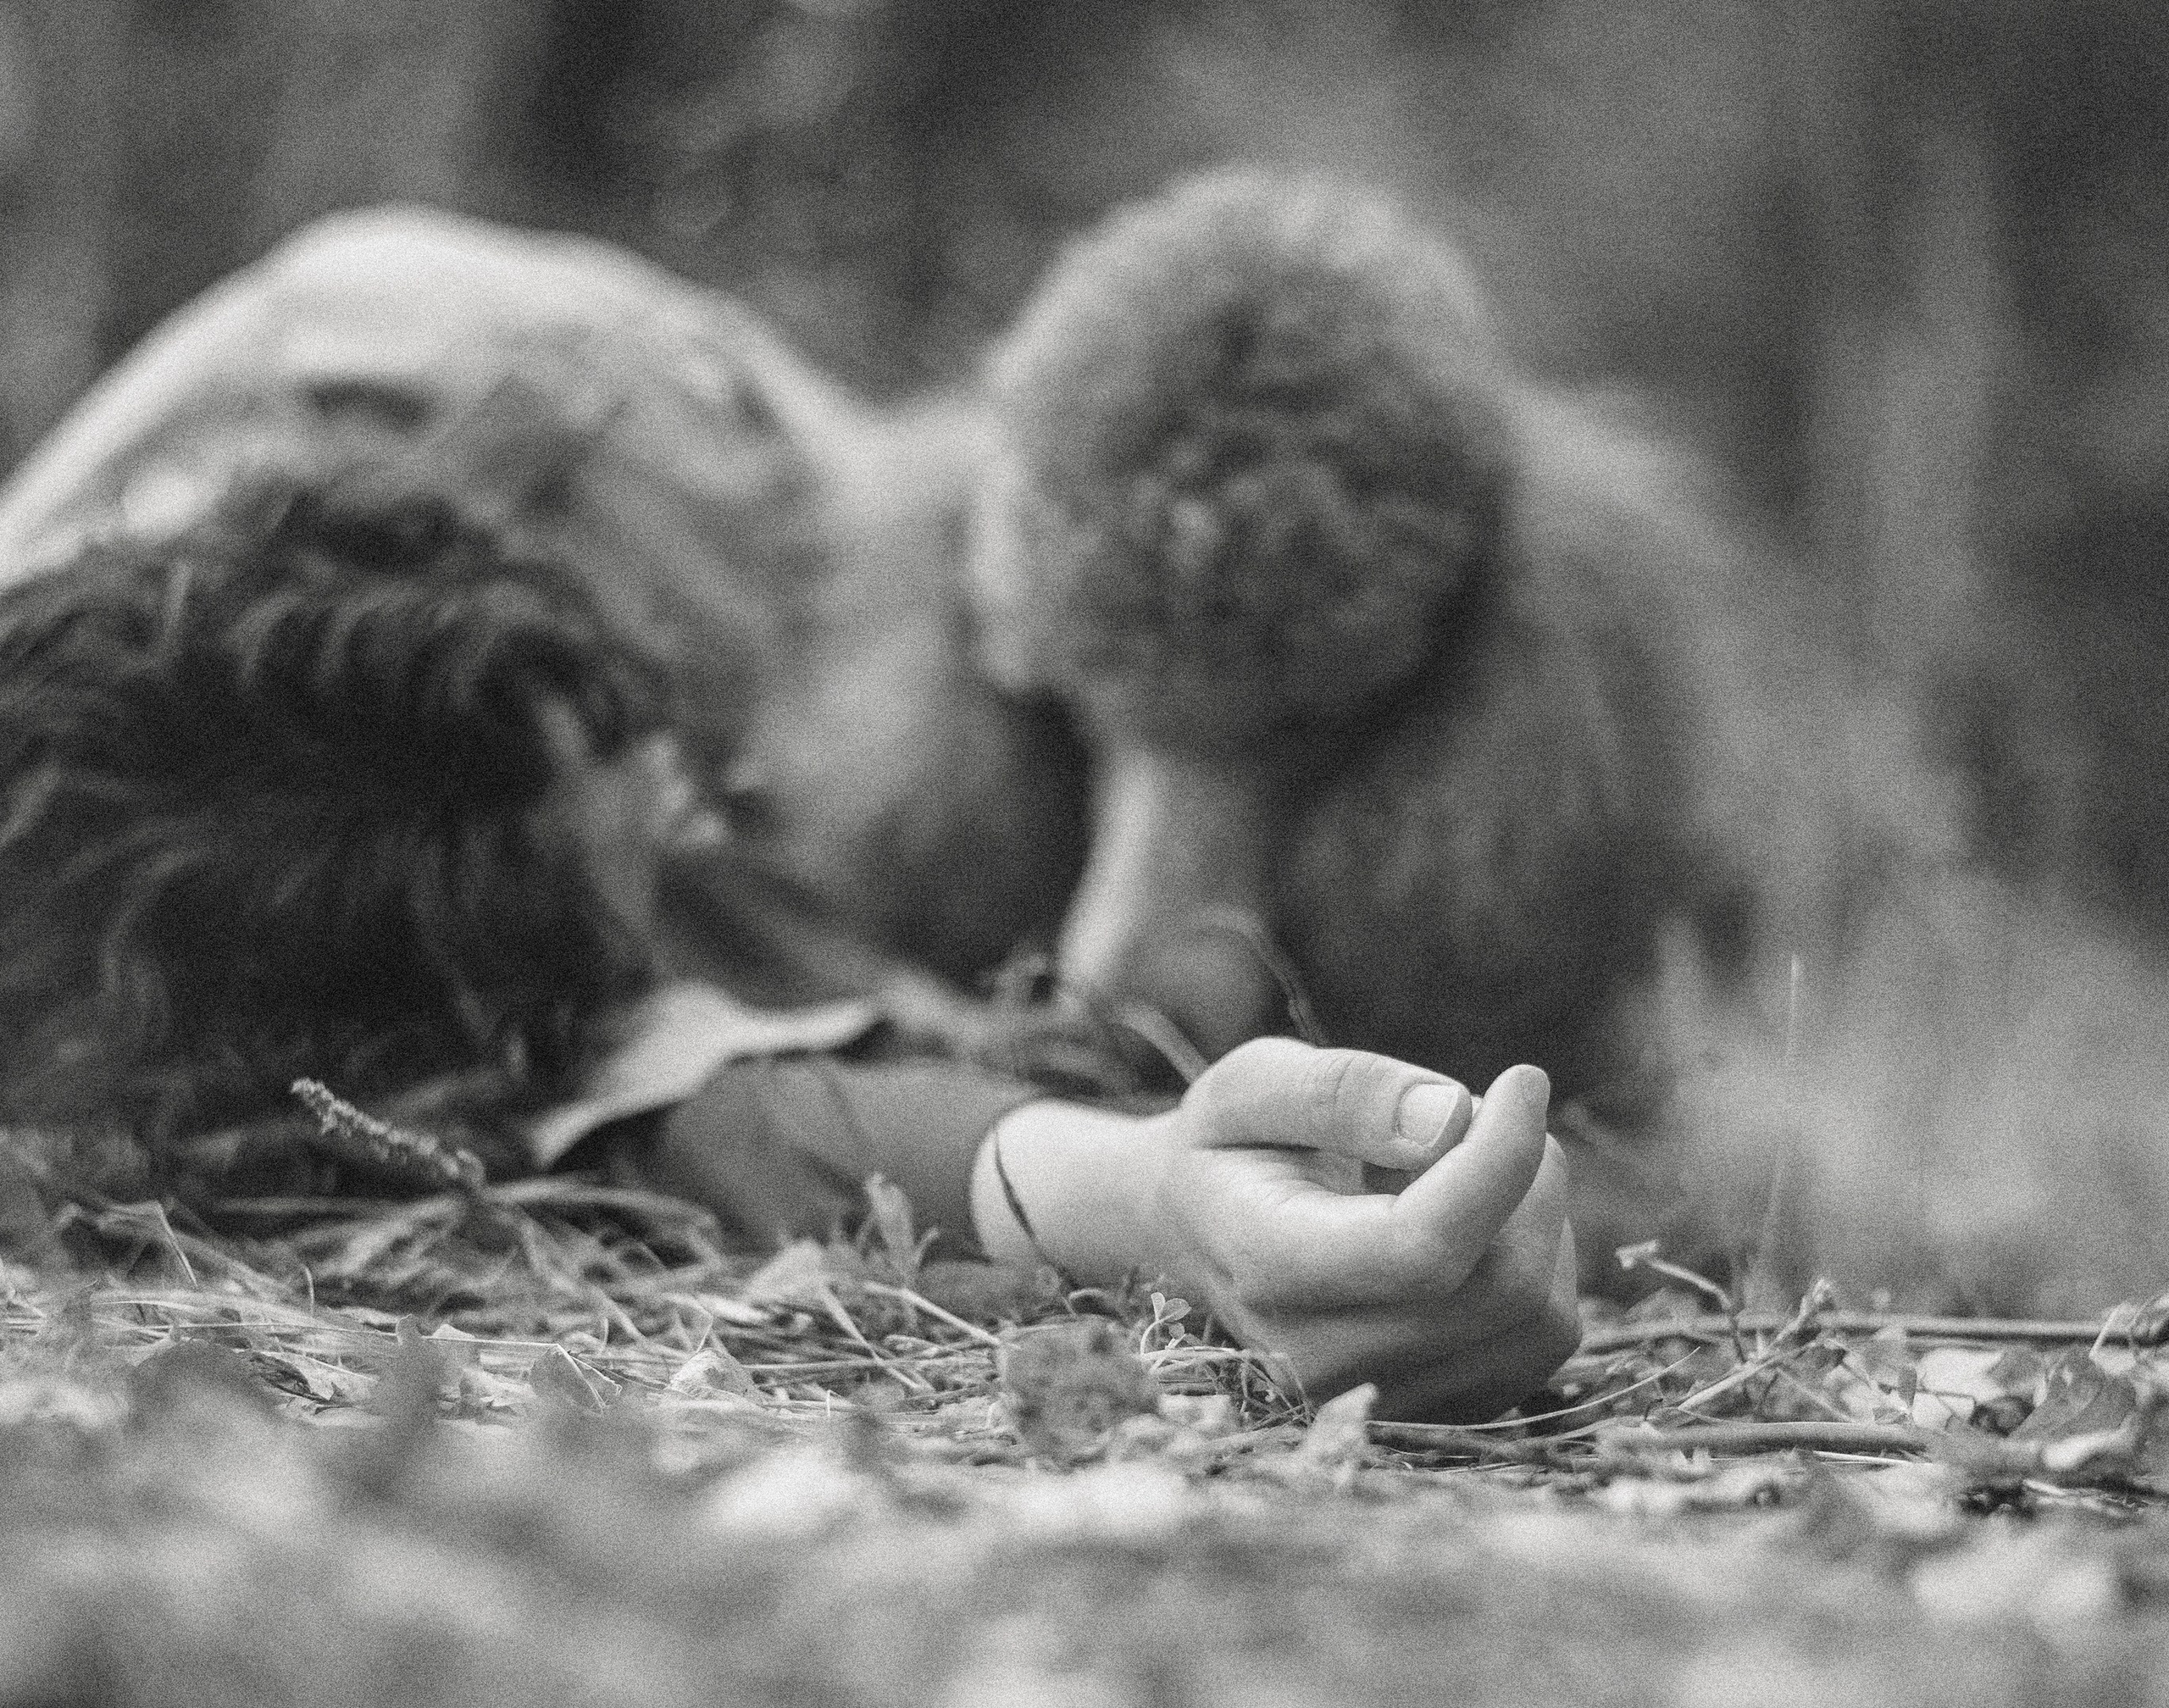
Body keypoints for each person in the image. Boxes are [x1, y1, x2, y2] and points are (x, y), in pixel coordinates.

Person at [0, 469, 1578, 1418]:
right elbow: (766, 1117)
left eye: (663, 765)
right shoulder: (505, 1028)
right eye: (642, 854)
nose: (703, 816)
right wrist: (1177, 1197)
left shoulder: (641, 510)